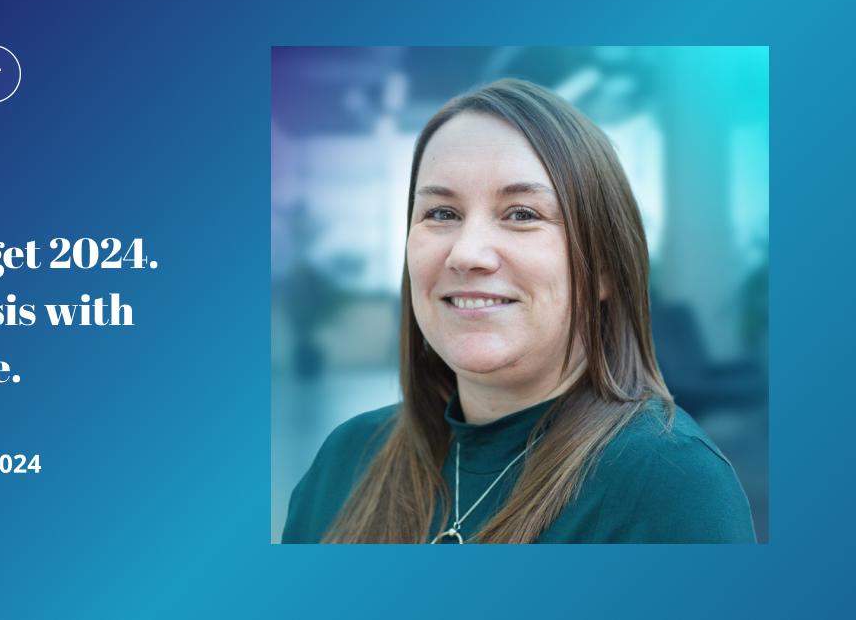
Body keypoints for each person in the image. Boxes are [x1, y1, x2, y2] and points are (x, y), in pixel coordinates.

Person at [282, 78, 755, 544]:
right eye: (441, 213)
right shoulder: (346, 460)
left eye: (522, 214)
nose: (466, 254)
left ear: (605, 268)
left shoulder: (673, 485)